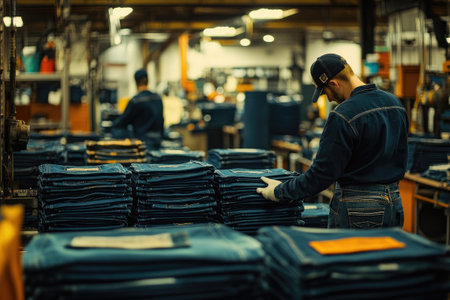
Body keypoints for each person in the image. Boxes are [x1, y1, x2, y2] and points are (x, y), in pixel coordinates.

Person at [257, 53, 409, 229]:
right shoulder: (395, 104)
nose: (329, 99)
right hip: (394, 202)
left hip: (358, 209)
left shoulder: (343, 114)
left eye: (325, 92)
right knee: (388, 256)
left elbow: (321, 175)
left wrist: (280, 191)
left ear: (334, 83)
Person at [112, 68, 164, 149]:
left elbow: (121, 123)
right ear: (148, 81)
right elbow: (162, 121)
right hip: (158, 142)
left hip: (142, 145)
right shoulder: (158, 98)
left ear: (136, 82)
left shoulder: (135, 101)